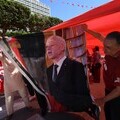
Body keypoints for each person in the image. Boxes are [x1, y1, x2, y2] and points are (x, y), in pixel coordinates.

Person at [45, 35, 100, 119]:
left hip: (72, 114)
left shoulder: (76, 66)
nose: (48, 49)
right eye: (47, 46)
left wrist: (59, 97)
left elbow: (83, 98)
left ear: (62, 47)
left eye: (51, 45)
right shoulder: (48, 70)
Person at [81, 24, 120, 120]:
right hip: (108, 90)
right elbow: (99, 36)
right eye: (104, 46)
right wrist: (87, 29)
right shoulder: (111, 47)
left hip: (116, 95)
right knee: (108, 112)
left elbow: (119, 90)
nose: (104, 50)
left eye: (108, 48)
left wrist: (102, 100)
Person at [0, 37, 31, 120]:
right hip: (9, 81)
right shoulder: (3, 56)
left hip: (16, 78)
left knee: (23, 94)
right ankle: (10, 113)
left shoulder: (15, 54)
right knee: (9, 98)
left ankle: (27, 106)